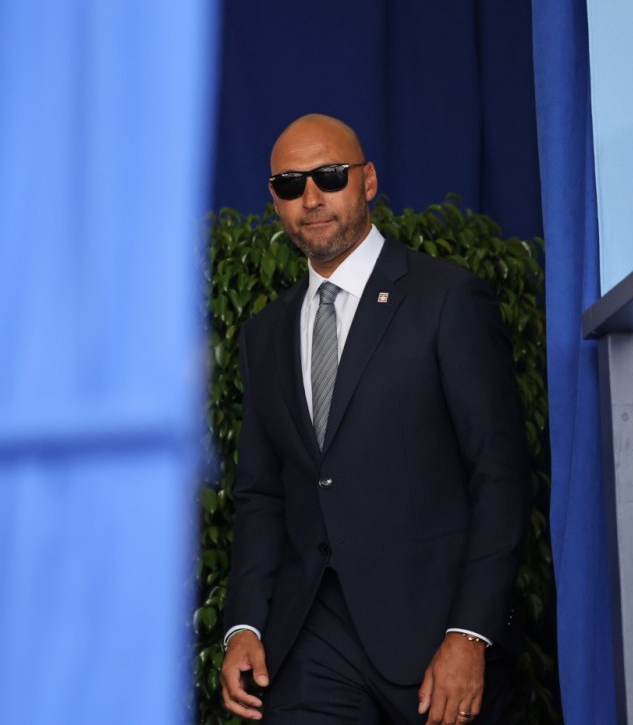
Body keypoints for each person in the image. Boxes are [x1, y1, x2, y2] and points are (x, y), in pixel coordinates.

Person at [220, 113, 530, 725]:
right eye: (290, 185)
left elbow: (500, 475)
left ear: (367, 181)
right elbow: (261, 494)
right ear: (274, 201)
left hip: (435, 637)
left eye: (330, 177)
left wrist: (470, 633)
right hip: (311, 640)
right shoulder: (264, 334)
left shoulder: (447, 299)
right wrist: (244, 622)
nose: (311, 199)